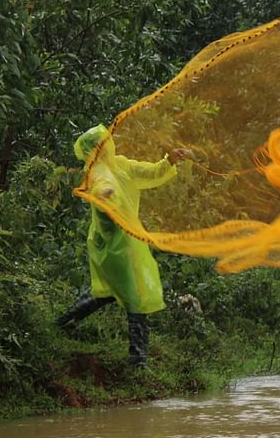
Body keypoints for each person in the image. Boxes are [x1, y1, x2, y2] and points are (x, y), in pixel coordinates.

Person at [55, 124, 188, 368]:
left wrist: (169, 161)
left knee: (111, 292)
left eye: (105, 140)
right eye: (99, 143)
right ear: (92, 150)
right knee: (129, 295)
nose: (105, 145)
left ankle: (62, 324)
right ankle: (138, 361)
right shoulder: (95, 172)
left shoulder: (122, 164)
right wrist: (105, 195)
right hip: (111, 242)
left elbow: (149, 172)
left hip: (129, 240)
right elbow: (101, 190)